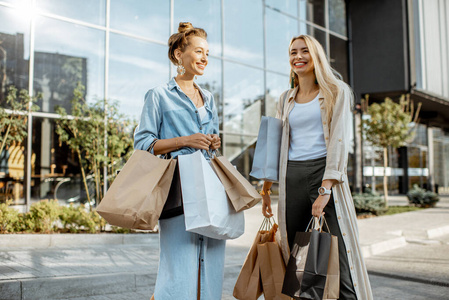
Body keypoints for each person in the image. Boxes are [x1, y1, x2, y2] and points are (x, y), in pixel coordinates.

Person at [261, 35, 373, 299]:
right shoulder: (285, 98)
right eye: (292, 52)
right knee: (299, 267)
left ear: (316, 56)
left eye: (304, 51)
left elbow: (339, 141)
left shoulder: (336, 91)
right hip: (293, 180)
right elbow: (276, 143)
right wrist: (266, 188)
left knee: (339, 261)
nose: (297, 57)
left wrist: (325, 190)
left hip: (325, 178)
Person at [134, 22, 223, 300]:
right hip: (178, 190)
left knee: (212, 265)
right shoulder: (158, 96)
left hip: (210, 189)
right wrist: (185, 140)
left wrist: (213, 143)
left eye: (207, 52)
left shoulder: (208, 98)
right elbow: (143, 143)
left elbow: (213, 144)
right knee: (178, 267)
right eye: (198, 51)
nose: (205, 58)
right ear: (177, 55)